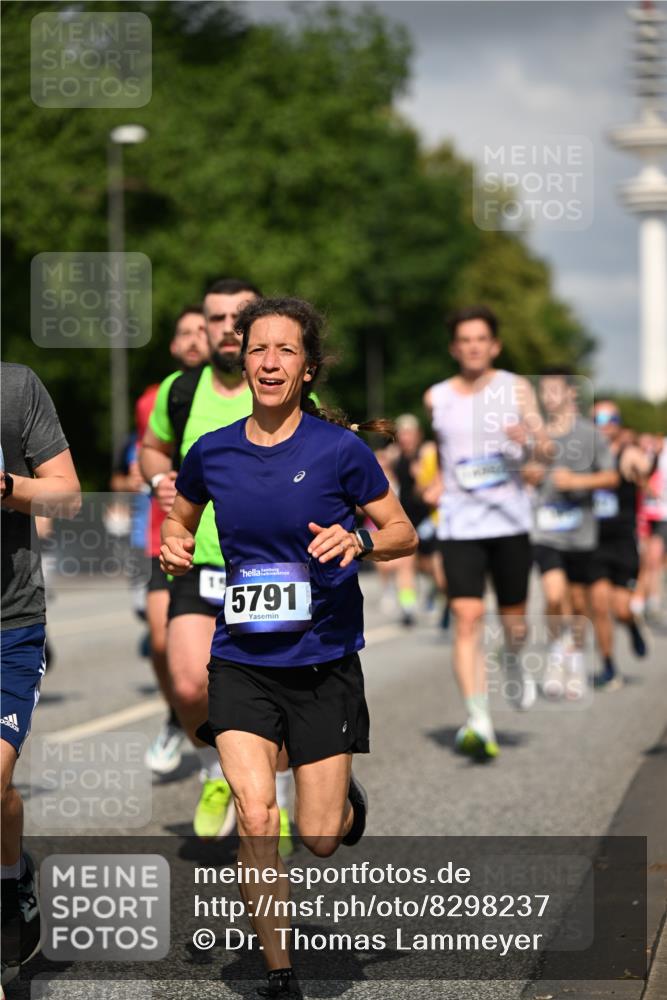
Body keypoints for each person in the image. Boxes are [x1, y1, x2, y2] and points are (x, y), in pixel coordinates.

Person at [161, 296, 417, 997]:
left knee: (320, 836)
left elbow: (403, 533)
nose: (269, 361)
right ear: (242, 360)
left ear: (307, 369)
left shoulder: (340, 451)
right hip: (241, 658)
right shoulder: (211, 452)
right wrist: (175, 546)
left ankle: (341, 805)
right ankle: (280, 973)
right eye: (258, 349)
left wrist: (359, 540)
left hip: (323, 660)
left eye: (285, 351)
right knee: (254, 812)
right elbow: (178, 521)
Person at [140, 278, 300, 845]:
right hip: (198, 561)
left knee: (274, 690)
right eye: (216, 317)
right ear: (203, 327)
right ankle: (215, 770)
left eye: (241, 316)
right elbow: (152, 448)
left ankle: (273, 796)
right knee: (187, 685)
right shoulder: (180, 392)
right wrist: (159, 479)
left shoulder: (278, 387)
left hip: (271, 569)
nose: (228, 327)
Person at [424, 305, 551, 761]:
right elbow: (443, 453)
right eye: (465, 339)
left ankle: (514, 658)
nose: (474, 346)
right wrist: (436, 483)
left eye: (482, 339)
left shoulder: (514, 388)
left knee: (513, 623)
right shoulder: (436, 396)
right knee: (468, 618)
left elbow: (548, 448)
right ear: (454, 347)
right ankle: (478, 718)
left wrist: (529, 442)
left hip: (509, 521)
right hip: (460, 524)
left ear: (494, 345)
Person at [1, 363, 81, 989]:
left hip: (8, 623)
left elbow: (67, 493)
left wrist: (5, 486)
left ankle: (10, 881)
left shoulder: (16, 386)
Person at [141, 305, 210, 777]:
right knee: (162, 641)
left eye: (200, 332)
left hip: (218, 543)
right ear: (172, 344)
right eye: (183, 333)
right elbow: (145, 454)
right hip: (160, 534)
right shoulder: (159, 395)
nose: (192, 340)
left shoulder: (248, 387)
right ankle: (177, 717)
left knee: (205, 654)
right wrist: (155, 479)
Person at [526, 370, 618, 697]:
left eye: (555, 390)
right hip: (546, 532)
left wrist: (578, 482)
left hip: (581, 533)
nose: (549, 397)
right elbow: (523, 474)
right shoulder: (536, 435)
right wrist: (531, 474)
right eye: (545, 391)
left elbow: (611, 477)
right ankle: (555, 657)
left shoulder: (591, 434)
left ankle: (575, 660)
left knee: (578, 603)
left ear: (571, 394)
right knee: (553, 595)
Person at [586, 402, 653, 687]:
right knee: (599, 607)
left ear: (617, 423)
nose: (603, 423)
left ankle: (633, 625)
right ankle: (609, 665)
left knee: (621, 609)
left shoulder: (627, 453)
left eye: (609, 418)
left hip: (623, 541)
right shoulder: (585, 456)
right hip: (592, 541)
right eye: (597, 417)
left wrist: (640, 467)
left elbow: (641, 465)